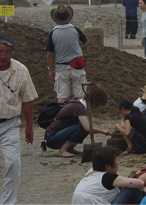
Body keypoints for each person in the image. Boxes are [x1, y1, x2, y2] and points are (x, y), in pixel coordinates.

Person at [0, 34, 37, 205]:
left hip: (10, 124)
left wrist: (30, 125)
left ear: (12, 52)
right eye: (0, 51)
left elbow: (28, 99)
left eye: (7, 52)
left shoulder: (21, 70)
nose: (3, 56)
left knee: (13, 163)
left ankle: (8, 203)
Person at [44, 87, 110, 157]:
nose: (99, 107)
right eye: (99, 104)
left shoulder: (80, 105)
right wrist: (102, 131)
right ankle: (62, 151)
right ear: (95, 101)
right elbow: (87, 128)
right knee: (82, 127)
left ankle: (69, 148)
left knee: (83, 127)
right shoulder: (78, 107)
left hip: (57, 135)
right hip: (52, 138)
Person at [72, 147, 145, 205]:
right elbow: (140, 183)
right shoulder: (108, 177)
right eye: (116, 161)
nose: (118, 163)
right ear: (107, 166)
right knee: (131, 188)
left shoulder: (90, 173)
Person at [47, 4, 88, 102]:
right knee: (81, 96)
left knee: (62, 97)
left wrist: (50, 69)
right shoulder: (75, 30)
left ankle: (62, 116)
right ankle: (81, 114)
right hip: (77, 66)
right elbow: (85, 40)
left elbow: (50, 54)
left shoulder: (53, 33)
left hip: (62, 68)